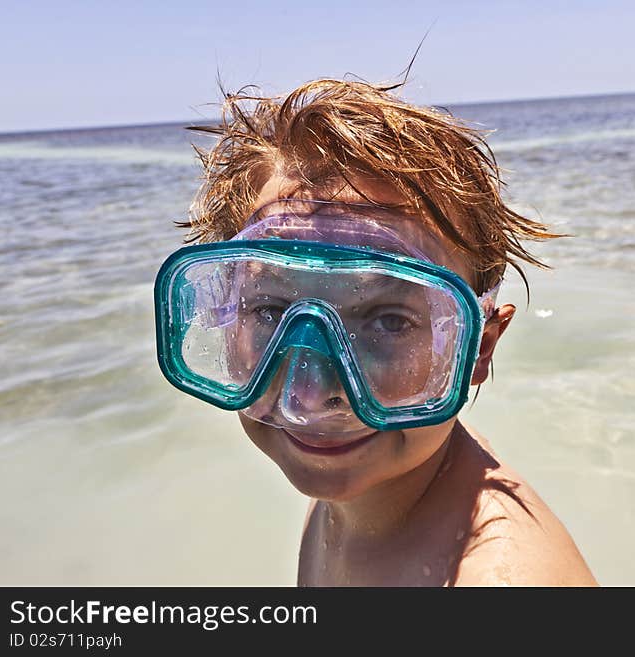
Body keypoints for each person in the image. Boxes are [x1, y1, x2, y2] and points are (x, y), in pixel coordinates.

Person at [155, 78, 598, 586]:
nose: (310, 397)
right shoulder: (368, 474)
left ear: (477, 349)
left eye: (389, 321)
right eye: (271, 312)